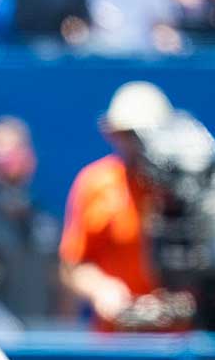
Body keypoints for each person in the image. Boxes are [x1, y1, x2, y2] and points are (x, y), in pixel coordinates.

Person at [59, 81, 172, 331]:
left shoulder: (187, 186)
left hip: (183, 344)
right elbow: (74, 265)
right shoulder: (96, 183)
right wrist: (102, 289)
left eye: (141, 134)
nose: (135, 143)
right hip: (118, 337)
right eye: (126, 133)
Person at [0, 116, 65, 327]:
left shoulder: (47, 224)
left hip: (44, 343)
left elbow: (64, 284)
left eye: (13, 158)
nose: (7, 169)